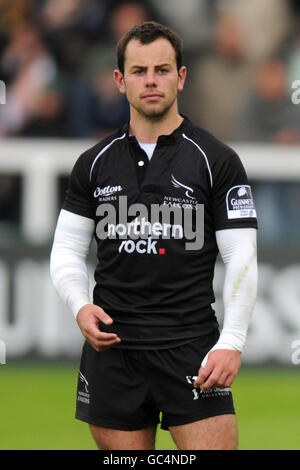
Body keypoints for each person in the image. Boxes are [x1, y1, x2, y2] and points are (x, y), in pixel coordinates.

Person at [50, 21, 258, 450]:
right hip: (113, 354)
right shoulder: (92, 163)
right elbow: (67, 251)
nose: (150, 81)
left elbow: (242, 258)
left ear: (181, 77)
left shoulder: (216, 160)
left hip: (193, 349)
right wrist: (79, 306)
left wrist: (232, 342)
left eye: (162, 70)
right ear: (119, 80)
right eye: (139, 71)